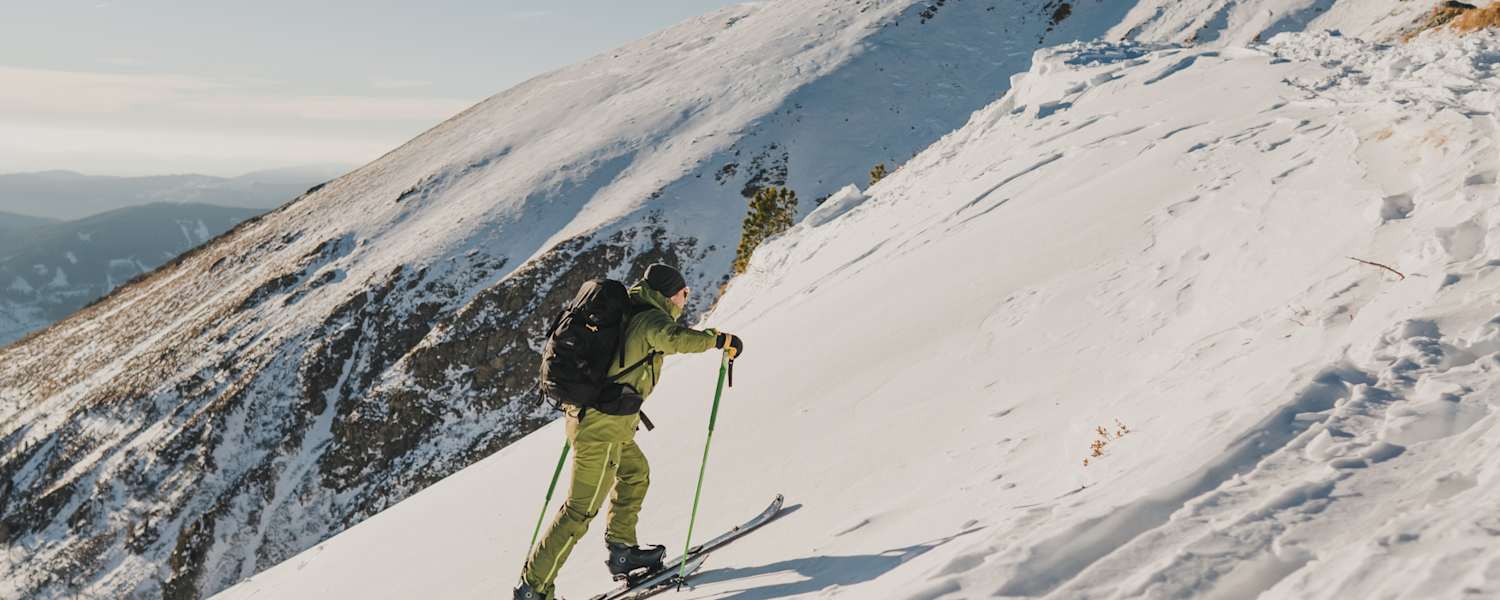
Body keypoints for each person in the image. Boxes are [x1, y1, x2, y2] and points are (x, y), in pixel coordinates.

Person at [516, 263, 744, 600]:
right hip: (602, 431)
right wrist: (720, 340)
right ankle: (533, 590)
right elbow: (675, 339)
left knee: (636, 473)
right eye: (684, 293)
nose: (686, 300)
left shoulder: (632, 310)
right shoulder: (651, 320)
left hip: (603, 423)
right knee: (580, 511)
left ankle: (623, 552)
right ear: (670, 293)